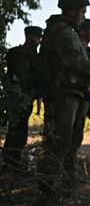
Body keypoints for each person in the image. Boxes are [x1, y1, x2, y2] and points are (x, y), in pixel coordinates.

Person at [37, 0, 90, 203]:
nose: (84, 15)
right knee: (58, 140)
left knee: (69, 140)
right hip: (62, 93)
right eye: (82, 11)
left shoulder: (67, 30)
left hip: (73, 92)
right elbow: (75, 63)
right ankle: (47, 185)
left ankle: (61, 182)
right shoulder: (61, 31)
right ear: (72, 10)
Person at [1, 26, 42, 174]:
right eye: (37, 38)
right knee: (17, 133)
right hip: (19, 99)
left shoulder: (31, 55)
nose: (38, 41)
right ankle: (11, 166)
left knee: (19, 132)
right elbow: (22, 76)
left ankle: (12, 164)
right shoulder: (21, 54)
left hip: (25, 99)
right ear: (30, 37)